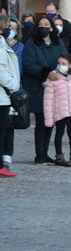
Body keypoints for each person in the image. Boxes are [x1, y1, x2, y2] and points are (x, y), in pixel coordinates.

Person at [23, 17, 67, 163]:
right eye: (41, 25)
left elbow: (65, 59)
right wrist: (45, 72)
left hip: (55, 86)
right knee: (41, 119)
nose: (43, 27)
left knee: (50, 120)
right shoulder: (31, 44)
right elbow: (28, 65)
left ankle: (45, 152)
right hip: (38, 87)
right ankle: (39, 154)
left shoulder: (58, 43)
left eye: (46, 25)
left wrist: (68, 70)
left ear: (52, 28)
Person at [43, 52, 71, 167]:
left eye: (64, 63)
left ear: (70, 65)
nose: (61, 65)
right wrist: (48, 119)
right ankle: (59, 156)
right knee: (59, 133)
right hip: (59, 111)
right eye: (59, 63)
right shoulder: (53, 79)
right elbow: (48, 99)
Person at [0, 13, 21, 177]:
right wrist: (14, 86)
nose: (9, 29)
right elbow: (1, 71)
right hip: (2, 95)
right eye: (7, 26)